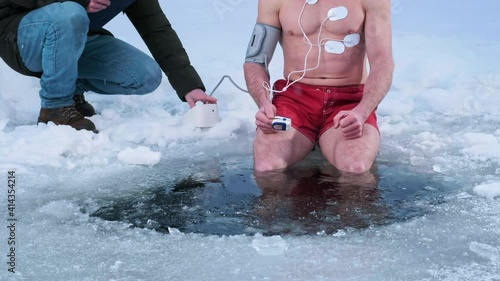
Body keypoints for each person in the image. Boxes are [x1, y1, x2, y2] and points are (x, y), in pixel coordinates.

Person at [0, 0, 217, 133]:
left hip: (73, 37)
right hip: (19, 37)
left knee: (145, 75)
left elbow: (156, 29)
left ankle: (71, 89)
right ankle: (54, 107)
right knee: (70, 13)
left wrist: (189, 86)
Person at [244, 0, 394, 174]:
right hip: (295, 99)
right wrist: (264, 104)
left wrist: (363, 110)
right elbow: (255, 61)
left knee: (355, 168)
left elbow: (383, 62)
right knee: (266, 167)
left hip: (349, 101)